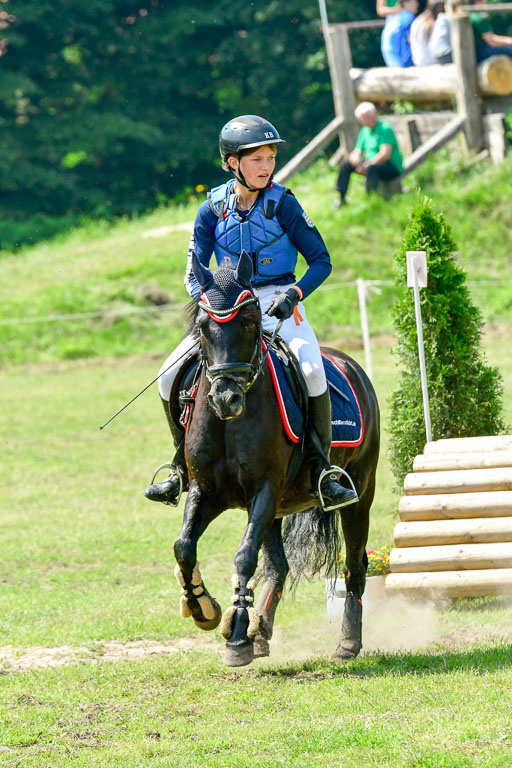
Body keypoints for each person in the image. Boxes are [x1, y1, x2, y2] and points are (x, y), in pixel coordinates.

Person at [144, 114, 357, 510]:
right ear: (232, 162)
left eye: (270, 158)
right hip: (229, 306)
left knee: (311, 370)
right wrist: (207, 297)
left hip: (279, 303)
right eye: (257, 159)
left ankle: (323, 469)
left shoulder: (284, 204)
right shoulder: (211, 208)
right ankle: (180, 468)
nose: (266, 167)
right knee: (167, 373)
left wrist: (294, 294)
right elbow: (193, 271)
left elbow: (321, 261)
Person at [334, 102, 403, 206]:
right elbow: (357, 150)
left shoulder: (385, 128)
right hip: (371, 163)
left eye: (366, 117)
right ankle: (341, 198)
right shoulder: (365, 131)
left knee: (371, 168)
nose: (364, 121)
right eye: (361, 119)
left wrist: (367, 164)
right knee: (345, 164)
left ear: (374, 114)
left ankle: (371, 200)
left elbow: (385, 155)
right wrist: (355, 157)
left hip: (390, 166)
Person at [381, 0, 419, 67]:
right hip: (402, 61)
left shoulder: (396, 18)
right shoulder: (409, 17)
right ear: (405, 2)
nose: (418, 5)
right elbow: (412, 41)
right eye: (415, 1)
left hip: (390, 59)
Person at [410, 0, 445, 65]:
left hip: (417, 62)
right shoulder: (435, 24)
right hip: (430, 64)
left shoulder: (418, 20)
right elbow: (435, 49)